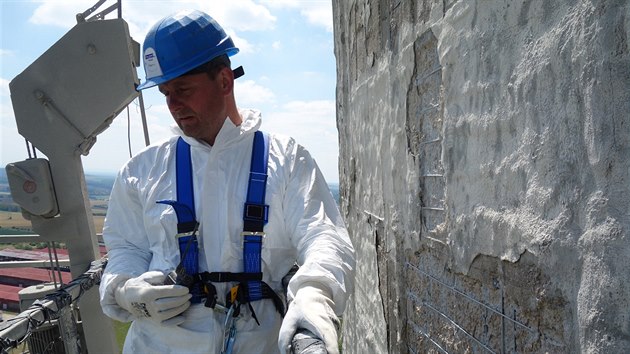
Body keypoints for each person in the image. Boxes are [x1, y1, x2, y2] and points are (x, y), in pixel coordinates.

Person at [98, 9, 355, 354]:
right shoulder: (141, 170)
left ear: (224, 81)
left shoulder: (287, 160)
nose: (173, 105)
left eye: (183, 89)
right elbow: (126, 249)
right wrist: (127, 292)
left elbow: (323, 236)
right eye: (165, 93)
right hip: (160, 344)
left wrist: (314, 297)